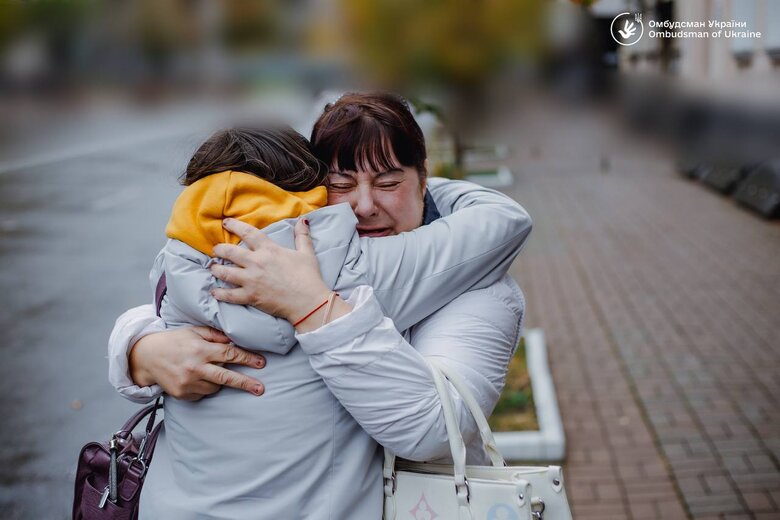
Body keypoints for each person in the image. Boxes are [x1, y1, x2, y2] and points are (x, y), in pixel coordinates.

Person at [108, 92, 531, 519]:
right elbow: (171, 308)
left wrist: (314, 308)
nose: (363, 207)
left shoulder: (478, 289)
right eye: (340, 185)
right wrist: (140, 348)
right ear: (307, 193)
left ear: (425, 179)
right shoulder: (274, 260)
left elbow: (434, 430)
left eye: (388, 183)